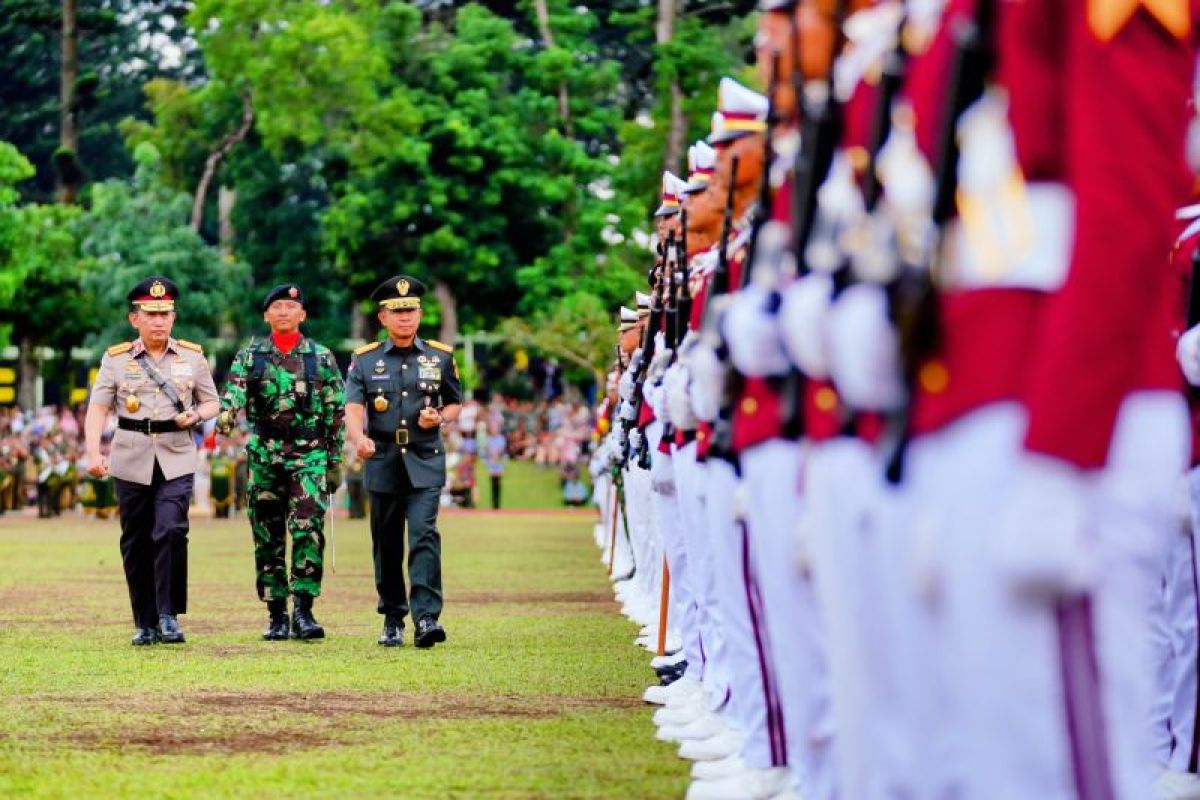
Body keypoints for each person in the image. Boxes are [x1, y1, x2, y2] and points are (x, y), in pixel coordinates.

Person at [84, 276, 219, 646]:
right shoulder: (116, 360)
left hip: (176, 454)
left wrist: (195, 416)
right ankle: (144, 621)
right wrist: (93, 452)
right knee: (136, 538)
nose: (158, 320)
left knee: (172, 529)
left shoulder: (193, 356)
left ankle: (168, 615)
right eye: (150, 313)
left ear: (174, 317)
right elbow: (97, 409)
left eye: (165, 313)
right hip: (130, 454)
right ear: (135, 319)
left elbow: (212, 401)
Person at [216, 284, 345, 641]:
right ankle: (276, 613)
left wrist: (335, 462)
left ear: (302, 314)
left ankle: (304, 610)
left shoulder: (321, 357)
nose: (284, 311)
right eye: (277, 306)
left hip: (310, 455)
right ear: (266, 315)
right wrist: (226, 415)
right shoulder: (250, 356)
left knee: (307, 529)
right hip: (265, 455)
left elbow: (336, 412)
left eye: (291, 306)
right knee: (267, 534)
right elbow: (235, 393)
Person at [345, 275, 463, 648]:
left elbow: (456, 402)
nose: (404, 318)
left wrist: (440, 417)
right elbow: (353, 407)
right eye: (396, 312)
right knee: (387, 541)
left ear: (420, 314)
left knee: (424, 534)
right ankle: (393, 617)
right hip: (382, 458)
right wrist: (358, 439)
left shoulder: (440, 357)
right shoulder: (365, 361)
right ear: (383, 318)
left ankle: (427, 618)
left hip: (425, 457)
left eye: (410, 310)